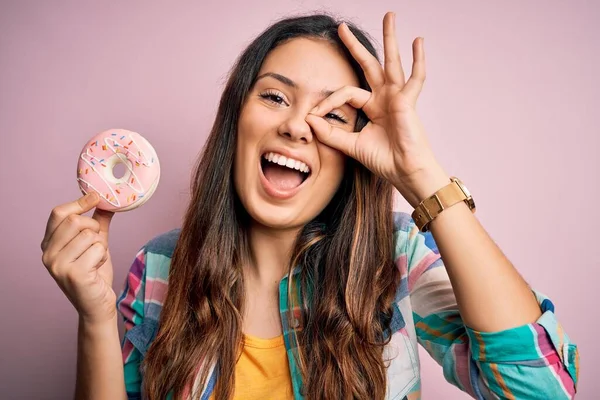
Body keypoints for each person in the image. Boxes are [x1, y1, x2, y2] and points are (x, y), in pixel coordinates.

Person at [41, 11, 579, 400]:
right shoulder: (158, 267)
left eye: (332, 117)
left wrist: (421, 174)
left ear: (354, 154)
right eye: (274, 96)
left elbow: (542, 390)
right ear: (237, 119)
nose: (297, 126)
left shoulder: (395, 258)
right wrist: (94, 317)